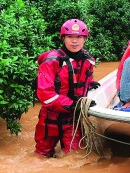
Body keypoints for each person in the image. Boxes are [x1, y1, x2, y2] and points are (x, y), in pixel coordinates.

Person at [34, 19, 100, 158]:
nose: (74, 41)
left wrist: (90, 83)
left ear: (85, 39)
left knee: (74, 156)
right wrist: (71, 105)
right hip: (50, 118)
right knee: (41, 156)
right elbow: (45, 93)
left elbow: (80, 79)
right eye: (70, 37)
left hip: (73, 119)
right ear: (63, 38)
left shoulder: (88, 60)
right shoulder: (52, 61)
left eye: (78, 37)